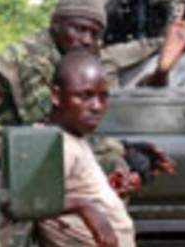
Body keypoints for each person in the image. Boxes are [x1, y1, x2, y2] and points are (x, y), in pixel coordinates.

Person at [0, 0, 176, 193]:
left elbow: (119, 55)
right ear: (56, 25)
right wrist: (122, 150)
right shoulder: (34, 59)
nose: (87, 40)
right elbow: (50, 131)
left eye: (94, 34)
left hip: (23, 145)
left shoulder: (67, 53)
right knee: (109, 164)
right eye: (80, 29)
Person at [37, 50, 139, 247]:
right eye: (85, 95)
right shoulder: (55, 145)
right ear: (56, 96)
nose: (97, 106)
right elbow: (27, 202)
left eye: (103, 97)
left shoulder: (72, 136)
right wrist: (83, 206)